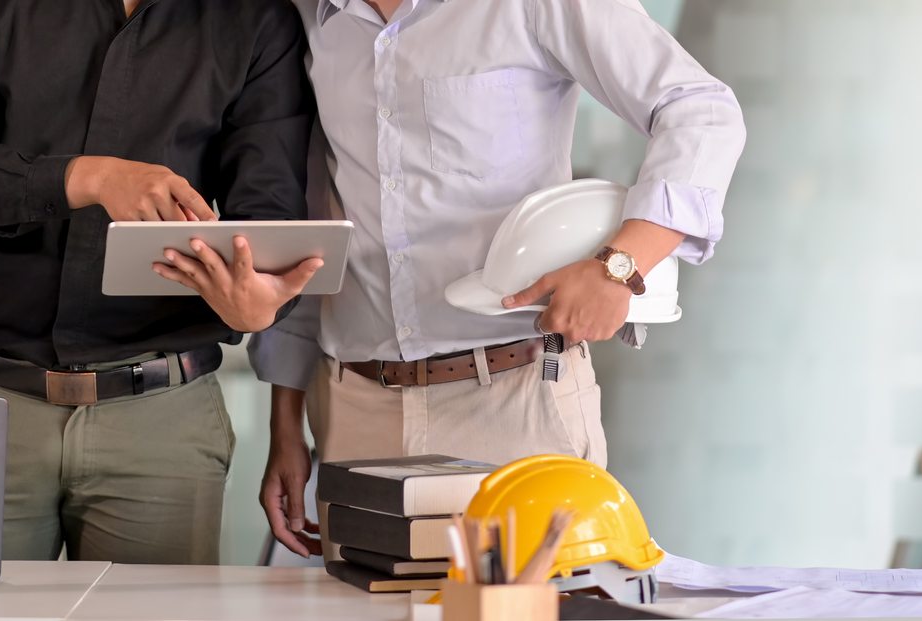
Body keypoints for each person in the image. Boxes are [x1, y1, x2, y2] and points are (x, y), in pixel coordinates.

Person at [171, 0, 745, 557]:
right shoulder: (305, 16)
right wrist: (286, 422)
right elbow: (312, 222)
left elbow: (700, 109)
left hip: (516, 402)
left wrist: (620, 267)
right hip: (354, 414)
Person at [0, 0, 318, 564]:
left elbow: (269, 210)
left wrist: (256, 302)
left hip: (164, 422)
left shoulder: (256, 17)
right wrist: (88, 176)